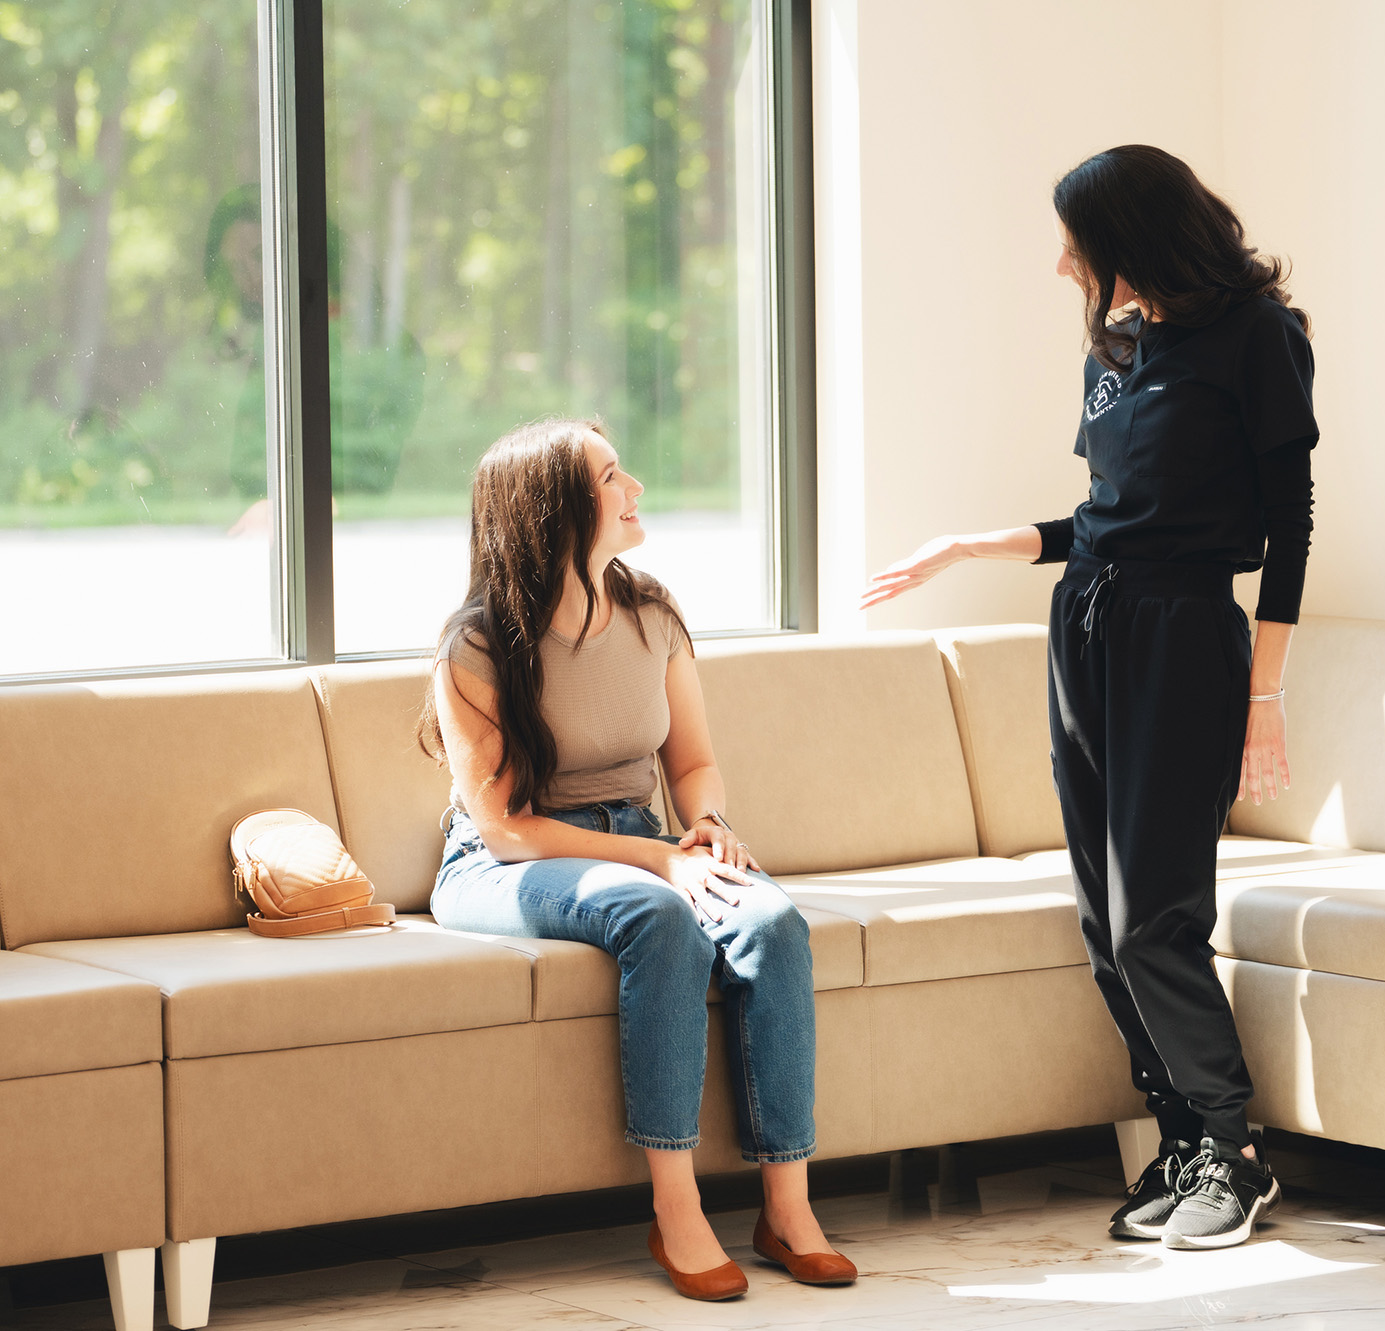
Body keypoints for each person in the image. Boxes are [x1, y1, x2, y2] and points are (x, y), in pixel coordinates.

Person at [864, 145, 1316, 1251]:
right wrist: (977, 544)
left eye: (1079, 239)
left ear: (1136, 236)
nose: (1063, 262)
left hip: (1183, 637)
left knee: (1151, 914)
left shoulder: (1259, 337)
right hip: (1085, 623)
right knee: (1100, 926)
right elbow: (1109, 517)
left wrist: (1263, 695)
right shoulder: (1117, 345)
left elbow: (1286, 525)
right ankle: (1177, 1135)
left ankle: (1233, 1148)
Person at [420, 417, 857, 1299]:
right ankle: (677, 1209)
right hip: (504, 859)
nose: (636, 489)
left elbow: (691, 763)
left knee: (773, 922)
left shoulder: (652, 614)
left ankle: (787, 1206)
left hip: (641, 838)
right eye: (613, 476)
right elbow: (506, 827)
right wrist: (660, 864)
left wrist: (705, 826)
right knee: (655, 915)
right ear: (555, 511)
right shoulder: (477, 644)